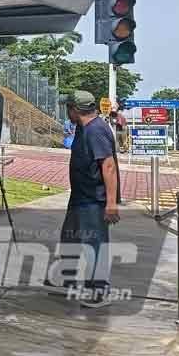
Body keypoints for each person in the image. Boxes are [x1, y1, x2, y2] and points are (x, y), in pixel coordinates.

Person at [49, 91, 121, 308]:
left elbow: (108, 166)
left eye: (68, 108)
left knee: (94, 243)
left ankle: (98, 290)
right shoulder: (83, 127)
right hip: (80, 195)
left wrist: (110, 203)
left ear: (74, 109)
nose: (66, 111)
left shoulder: (96, 130)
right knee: (70, 236)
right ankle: (66, 277)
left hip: (94, 198)